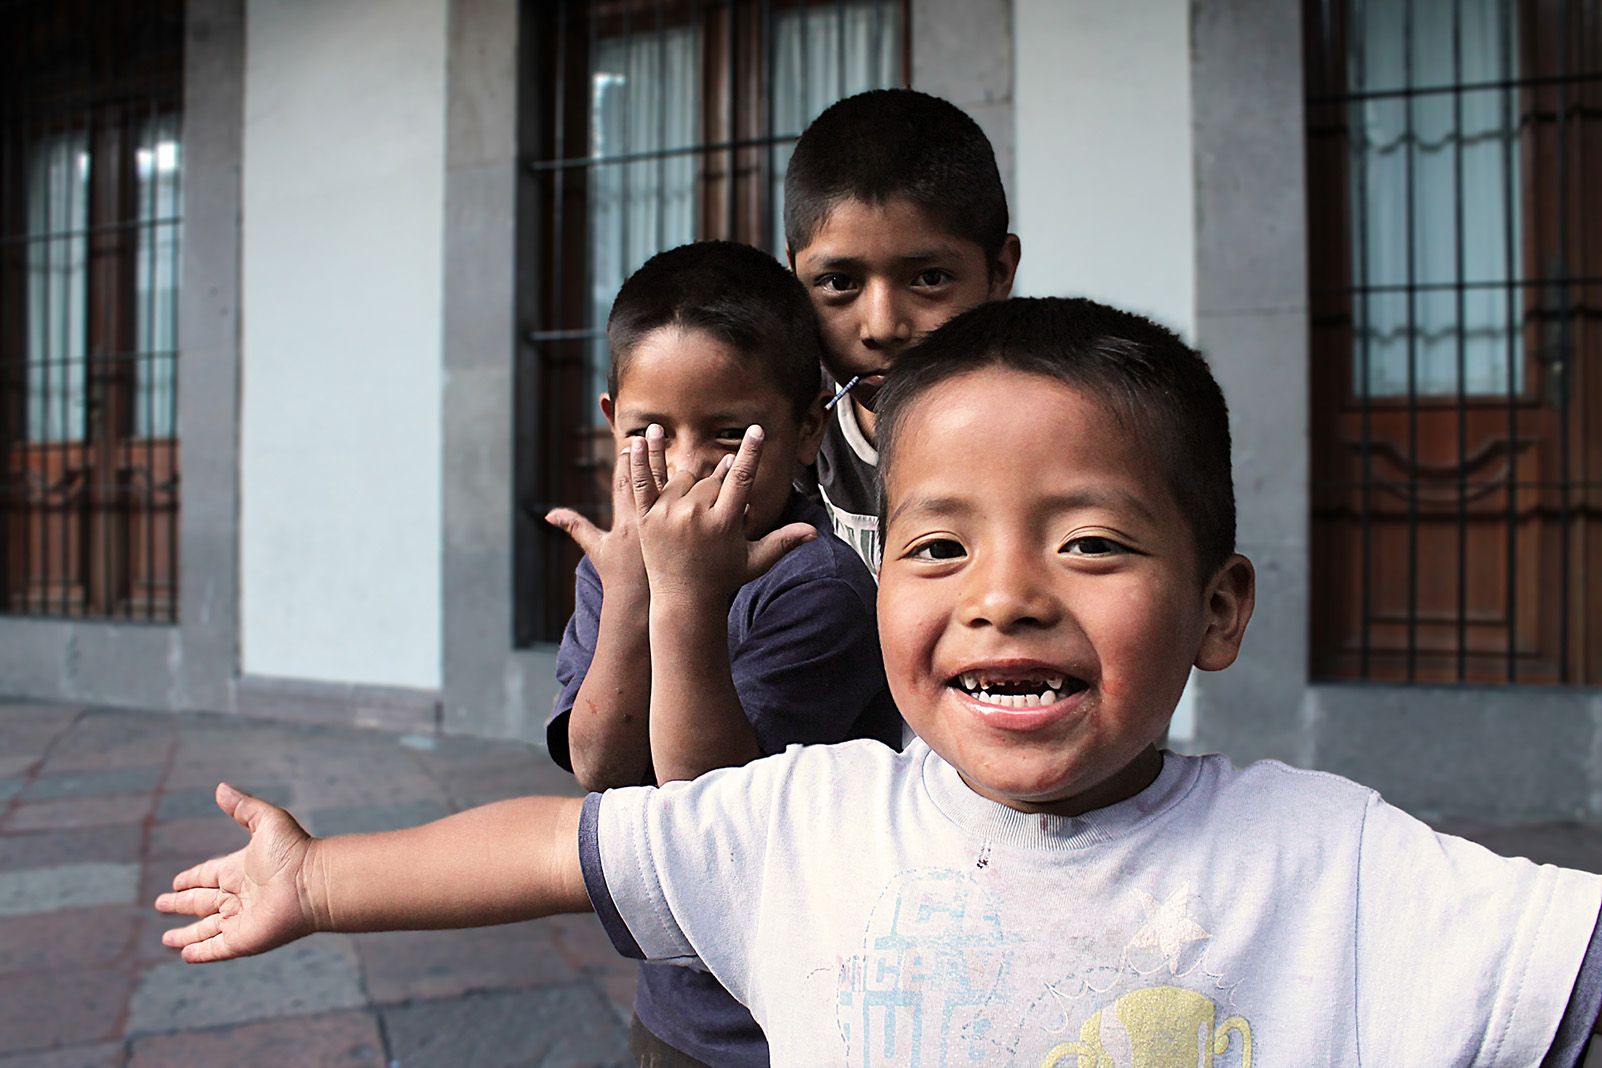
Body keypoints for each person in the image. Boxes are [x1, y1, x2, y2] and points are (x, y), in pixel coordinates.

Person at [155, 298, 1602, 1066]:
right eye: (937, 545)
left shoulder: (1332, 859)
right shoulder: (811, 822)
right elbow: (557, 839)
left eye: (1088, 539)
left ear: (1216, 608)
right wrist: (322, 880)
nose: (1005, 593)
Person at [540, 240, 902, 1065]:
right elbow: (599, 765)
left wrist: (682, 599)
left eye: (730, 434)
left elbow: (712, 806)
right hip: (679, 1005)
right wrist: (632, 593)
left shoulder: (820, 586)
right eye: (649, 432)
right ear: (610, 423)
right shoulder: (615, 573)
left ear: (808, 426)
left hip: (796, 1012)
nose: (688, 466)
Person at [784, 88, 1021, 570]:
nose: (882, 326)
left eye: (929, 279)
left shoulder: (1045, 432)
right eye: (838, 283)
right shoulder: (790, 428)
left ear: (998, 273)